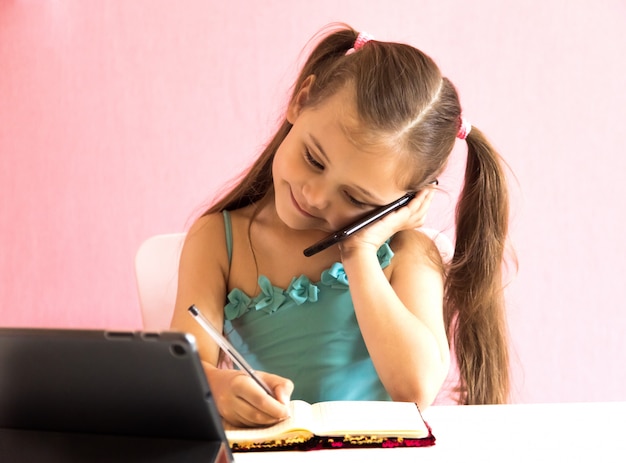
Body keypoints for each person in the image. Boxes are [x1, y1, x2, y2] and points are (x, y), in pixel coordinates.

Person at [171, 23, 511, 427]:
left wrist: (360, 252)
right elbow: (180, 374)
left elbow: (416, 389)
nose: (315, 196)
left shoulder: (407, 254)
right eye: (314, 159)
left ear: (406, 200)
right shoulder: (217, 240)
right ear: (300, 100)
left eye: (356, 198)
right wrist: (218, 389)